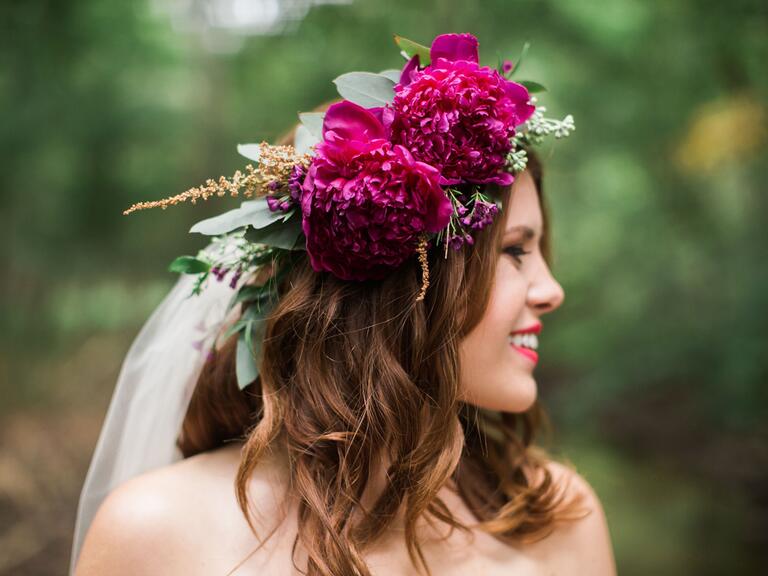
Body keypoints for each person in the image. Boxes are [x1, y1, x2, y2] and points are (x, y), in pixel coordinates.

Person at [72, 33, 616, 575]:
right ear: (397, 276)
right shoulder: (155, 533)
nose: (552, 290)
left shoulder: (558, 514)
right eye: (516, 251)